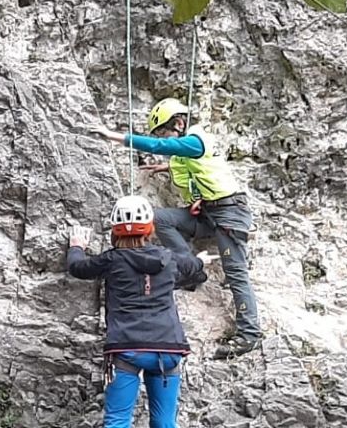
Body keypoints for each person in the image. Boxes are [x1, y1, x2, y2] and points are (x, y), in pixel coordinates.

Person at [63, 194, 208, 428]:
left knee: (117, 420)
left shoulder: (111, 261)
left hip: (127, 350)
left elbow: (77, 268)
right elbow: (195, 268)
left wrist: (76, 244)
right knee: (164, 419)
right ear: (150, 227)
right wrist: (200, 263)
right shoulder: (169, 259)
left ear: (115, 229)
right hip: (168, 350)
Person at [95, 99, 262, 358]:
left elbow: (164, 147)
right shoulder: (188, 152)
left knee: (236, 272)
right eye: (161, 133)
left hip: (229, 213)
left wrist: (116, 137)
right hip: (209, 212)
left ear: (179, 123)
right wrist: (166, 168)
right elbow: (194, 166)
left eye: (164, 131)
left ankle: (249, 334)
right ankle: (190, 269)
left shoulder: (195, 141)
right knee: (160, 218)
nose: (163, 138)